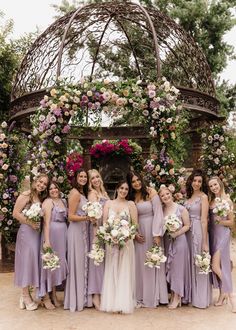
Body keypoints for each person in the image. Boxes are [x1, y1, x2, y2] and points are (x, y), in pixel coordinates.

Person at [126, 171, 168, 308]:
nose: (137, 183)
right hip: (139, 234)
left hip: (152, 230)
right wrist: (135, 233)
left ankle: (154, 296)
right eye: (133, 181)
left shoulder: (151, 192)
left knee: (153, 260)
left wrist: (157, 234)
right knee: (140, 263)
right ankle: (141, 295)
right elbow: (130, 217)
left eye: (138, 180)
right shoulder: (131, 197)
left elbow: (158, 213)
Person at [100, 180, 138, 314]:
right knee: (112, 269)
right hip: (111, 242)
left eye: (126, 189)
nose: (123, 191)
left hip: (126, 243)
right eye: (121, 188)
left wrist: (126, 236)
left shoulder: (131, 204)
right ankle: (111, 302)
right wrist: (111, 236)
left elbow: (134, 225)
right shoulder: (108, 203)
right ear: (117, 189)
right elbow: (104, 223)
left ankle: (123, 303)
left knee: (124, 271)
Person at [13, 173, 49, 311]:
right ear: (35, 181)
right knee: (25, 262)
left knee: (32, 262)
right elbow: (15, 213)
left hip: (36, 234)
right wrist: (30, 223)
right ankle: (25, 295)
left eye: (44, 184)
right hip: (26, 233)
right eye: (40, 182)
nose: (41, 185)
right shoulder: (26, 195)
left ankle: (25, 294)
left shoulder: (39, 197)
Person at [64, 168, 95, 312]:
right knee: (77, 264)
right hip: (76, 231)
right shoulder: (75, 193)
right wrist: (87, 218)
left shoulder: (82, 193)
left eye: (85, 176)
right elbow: (70, 216)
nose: (83, 178)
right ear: (76, 178)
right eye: (80, 176)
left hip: (83, 231)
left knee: (82, 263)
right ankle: (76, 300)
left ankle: (81, 297)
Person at [159, 186, 191, 308]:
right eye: (162, 196)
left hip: (179, 241)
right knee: (171, 269)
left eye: (167, 194)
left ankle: (178, 296)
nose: (165, 197)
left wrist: (176, 233)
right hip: (167, 242)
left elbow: (187, 225)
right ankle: (173, 293)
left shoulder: (181, 209)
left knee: (178, 269)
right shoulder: (161, 210)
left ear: (171, 194)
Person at [208, 176, 236, 312]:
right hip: (213, 235)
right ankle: (222, 295)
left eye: (215, 184)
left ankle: (231, 294)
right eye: (211, 186)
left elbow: (231, 222)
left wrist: (221, 221)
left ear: (220, 183)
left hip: (223, 235)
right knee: (218, 266)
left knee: (215, 266)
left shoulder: (227, 201)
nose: (214, 187)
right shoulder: (211, 201)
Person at [184, 169, 212, 308]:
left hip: (197, 231)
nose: (196, 183)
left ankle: (200, 298)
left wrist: (205, 242)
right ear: (191, 181)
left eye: (199, 181)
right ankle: (190, 296)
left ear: (202, 183)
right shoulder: (187, 198)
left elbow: (204, 220)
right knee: (189, 261)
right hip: (187, 232)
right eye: (195, 180)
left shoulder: (204, 197)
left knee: (198, 260)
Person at [39, 180, 68, 309]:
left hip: (62, 237)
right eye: (50, 189)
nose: (53, 190)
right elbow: (46, 223)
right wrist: (47, 240)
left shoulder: (63, 201)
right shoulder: (48, 202)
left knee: (57, 265)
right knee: (51, 265)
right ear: (48, 191)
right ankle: (49, 296)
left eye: (55, 188)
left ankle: (54, 294)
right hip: (52, 236)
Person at [87, 169, 109, 310]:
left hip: (105, 230)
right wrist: (96, 235)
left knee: (103, 263)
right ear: (90, 182)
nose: (95, 180)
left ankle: (102, 293)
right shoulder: (92, 194)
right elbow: (94, 216)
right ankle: (95, 296)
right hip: (97, 231)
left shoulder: (104, 193)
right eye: (92, 178)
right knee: (97, 262)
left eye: (97, 177)